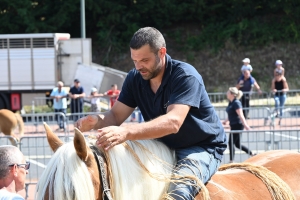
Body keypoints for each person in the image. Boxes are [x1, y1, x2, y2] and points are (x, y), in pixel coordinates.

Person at [75, 27, 226, 199]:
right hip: (162, 146)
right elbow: (116, 116)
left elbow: (173, 122)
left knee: (178, 194)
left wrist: (127, 132)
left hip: (201, 146)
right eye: (135, 61)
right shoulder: (134, 78)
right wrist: (97, 120)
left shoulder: (185, 76)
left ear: (161, 52)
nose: (139, 66)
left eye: (145, 60)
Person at [222, 87, 253, 163]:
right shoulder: (231, 102)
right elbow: (231, 114)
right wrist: (225, 121)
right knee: (237, 144)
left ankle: (231, 160)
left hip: (238, 125)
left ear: (232, 94)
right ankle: (252, 154)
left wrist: (246, 125)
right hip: (233, 124)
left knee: (231, 143)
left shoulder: (236, 103)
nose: (227, 93)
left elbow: (241, 115)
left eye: (228, 92)